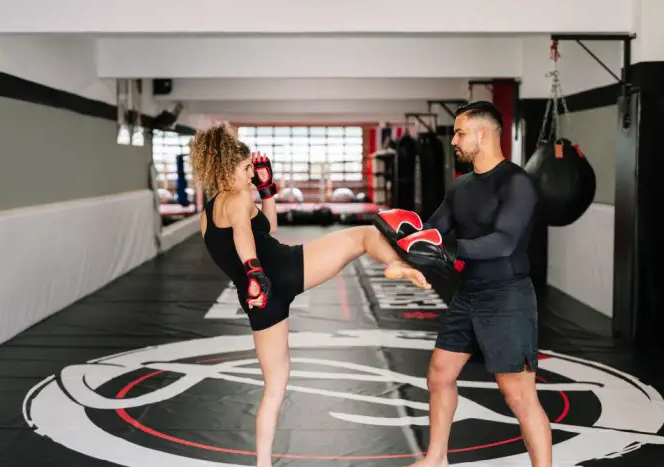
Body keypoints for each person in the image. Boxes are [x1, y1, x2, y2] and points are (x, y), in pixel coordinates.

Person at [190, 122, 436, 467]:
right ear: (227, 169)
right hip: (281, 271)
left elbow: (266, 228)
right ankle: (398, 265)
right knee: (364, 235)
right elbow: (244, 236)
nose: (250, 176)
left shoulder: (208, 213)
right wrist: (254, 269)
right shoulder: (238, 199)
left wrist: (268, 190)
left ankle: (262, 463)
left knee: (274, 387)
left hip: (259, 299)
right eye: (246, 169)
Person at [409, 101, 552, 467]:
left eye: (459, 132)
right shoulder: (460, 187)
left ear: (483, 134)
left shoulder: (517, 182)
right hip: (468, 294)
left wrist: (450, 251)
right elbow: (434, 229)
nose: (454, 140)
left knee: (519, 395)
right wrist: (403, 233)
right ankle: (436, 458)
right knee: (440, 375)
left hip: (507, 296)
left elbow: (504, 241)